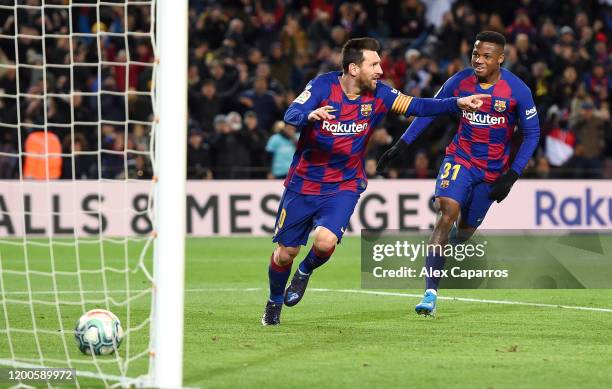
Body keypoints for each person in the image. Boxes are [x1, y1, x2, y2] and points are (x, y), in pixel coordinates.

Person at [262, 37, 489, 325]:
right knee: (285, 254)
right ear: (354, 68)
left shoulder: (380, 93)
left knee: (325, 240)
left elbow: (418, 105)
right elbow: (290, 114)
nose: (381, 70)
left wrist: (456, 103)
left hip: (344, 185)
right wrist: (309, 115)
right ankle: (274, 301)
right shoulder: (322, 86)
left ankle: (305, 271)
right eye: (374, 64)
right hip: (303, 184)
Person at [376, 31, 540, 316]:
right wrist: (402, 144)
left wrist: (511, 175)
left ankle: (441, 251)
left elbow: (532, 134)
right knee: (446, 212)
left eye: (487, 56)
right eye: (476, 54)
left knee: (463, 233)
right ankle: (430, 293)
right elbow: (432, 111)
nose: (478, 60)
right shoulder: (459, 81)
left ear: (501, 59)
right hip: (460, 158)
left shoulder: (518, 91)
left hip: (492, 172)